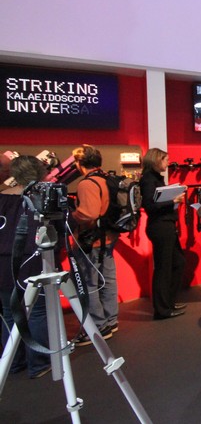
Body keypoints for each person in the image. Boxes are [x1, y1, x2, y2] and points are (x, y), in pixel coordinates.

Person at [0, 156, 51, 379]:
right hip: (34, 260)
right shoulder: (44, 199)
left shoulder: (2, 198)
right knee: (37, 312)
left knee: (9, 312)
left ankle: (12, 361)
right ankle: (38, 363)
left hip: (3, 262)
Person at [71, 145, 119, 342]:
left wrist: (70, 215)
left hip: (91, 240)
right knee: (108, 279)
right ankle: (111, 320)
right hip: (108, 237)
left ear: (79, 163)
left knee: (88, 283)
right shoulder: (107, 179)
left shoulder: (87, 184)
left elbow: (89, 213)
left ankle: (98, 326)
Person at [140, 148, 187, 320]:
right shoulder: (148, 180)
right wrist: (172, 201)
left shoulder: (155, 179)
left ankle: (168, 302)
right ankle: (162, 309)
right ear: (156, 160)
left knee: (178, 263)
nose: (168, 163)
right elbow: (149, 205)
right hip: (160, 227)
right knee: (163, 268)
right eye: (165, 159)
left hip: (165, 225)